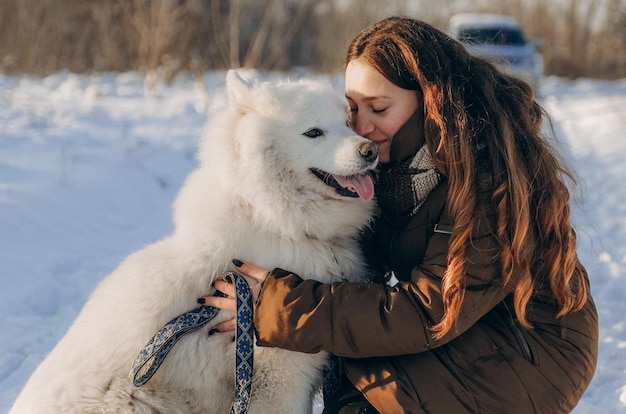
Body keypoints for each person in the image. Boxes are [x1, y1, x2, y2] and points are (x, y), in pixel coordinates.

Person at [202, 17, 598, 414]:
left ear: (431, 100)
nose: (361, 127)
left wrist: (276, 307)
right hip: (473, 329)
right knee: (347, 347)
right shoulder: (400, 163)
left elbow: (430, 310)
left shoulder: (485, 178)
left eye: (378, 108)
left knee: (367, 379)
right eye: (352, 109)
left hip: (528, 353)